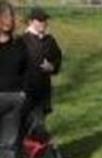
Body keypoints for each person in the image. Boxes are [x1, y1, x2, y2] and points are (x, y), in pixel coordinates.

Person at [0, 2, 27, 158]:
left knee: (9, 142)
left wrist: (23, 92)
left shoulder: (19, 44)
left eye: (11, 17)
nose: (9, 21)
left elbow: (27, 70)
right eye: (5, 16)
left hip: (14, 98)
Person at [22, 7, 62, 136]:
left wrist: (52, 66)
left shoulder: (50, 40)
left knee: (39, 125)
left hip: (43, 91)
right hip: (25, 92)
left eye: (45, 20)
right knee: (26, 127)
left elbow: (57, 59)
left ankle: (38, 153)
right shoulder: (22, 40)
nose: (43, 23)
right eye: (40, 20)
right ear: (31, 21)